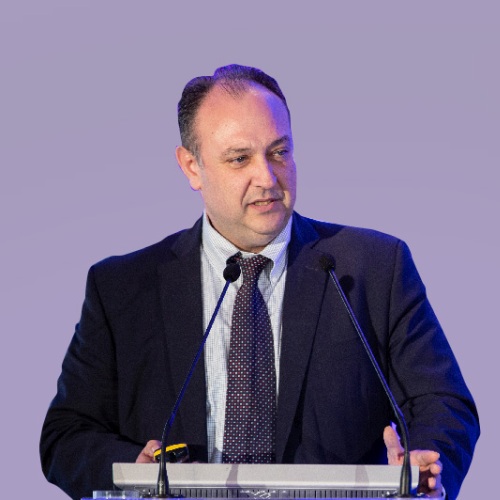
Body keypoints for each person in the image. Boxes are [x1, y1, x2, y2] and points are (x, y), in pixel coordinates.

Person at [40, 64, 479, 500]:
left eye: (279, 152)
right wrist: (133, 469)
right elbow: (67, 435)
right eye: (240, 159)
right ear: (192, 167)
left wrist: (426, 461)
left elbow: (443, 403)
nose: (268, 178)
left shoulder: (372, 269)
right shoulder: (122, 288)